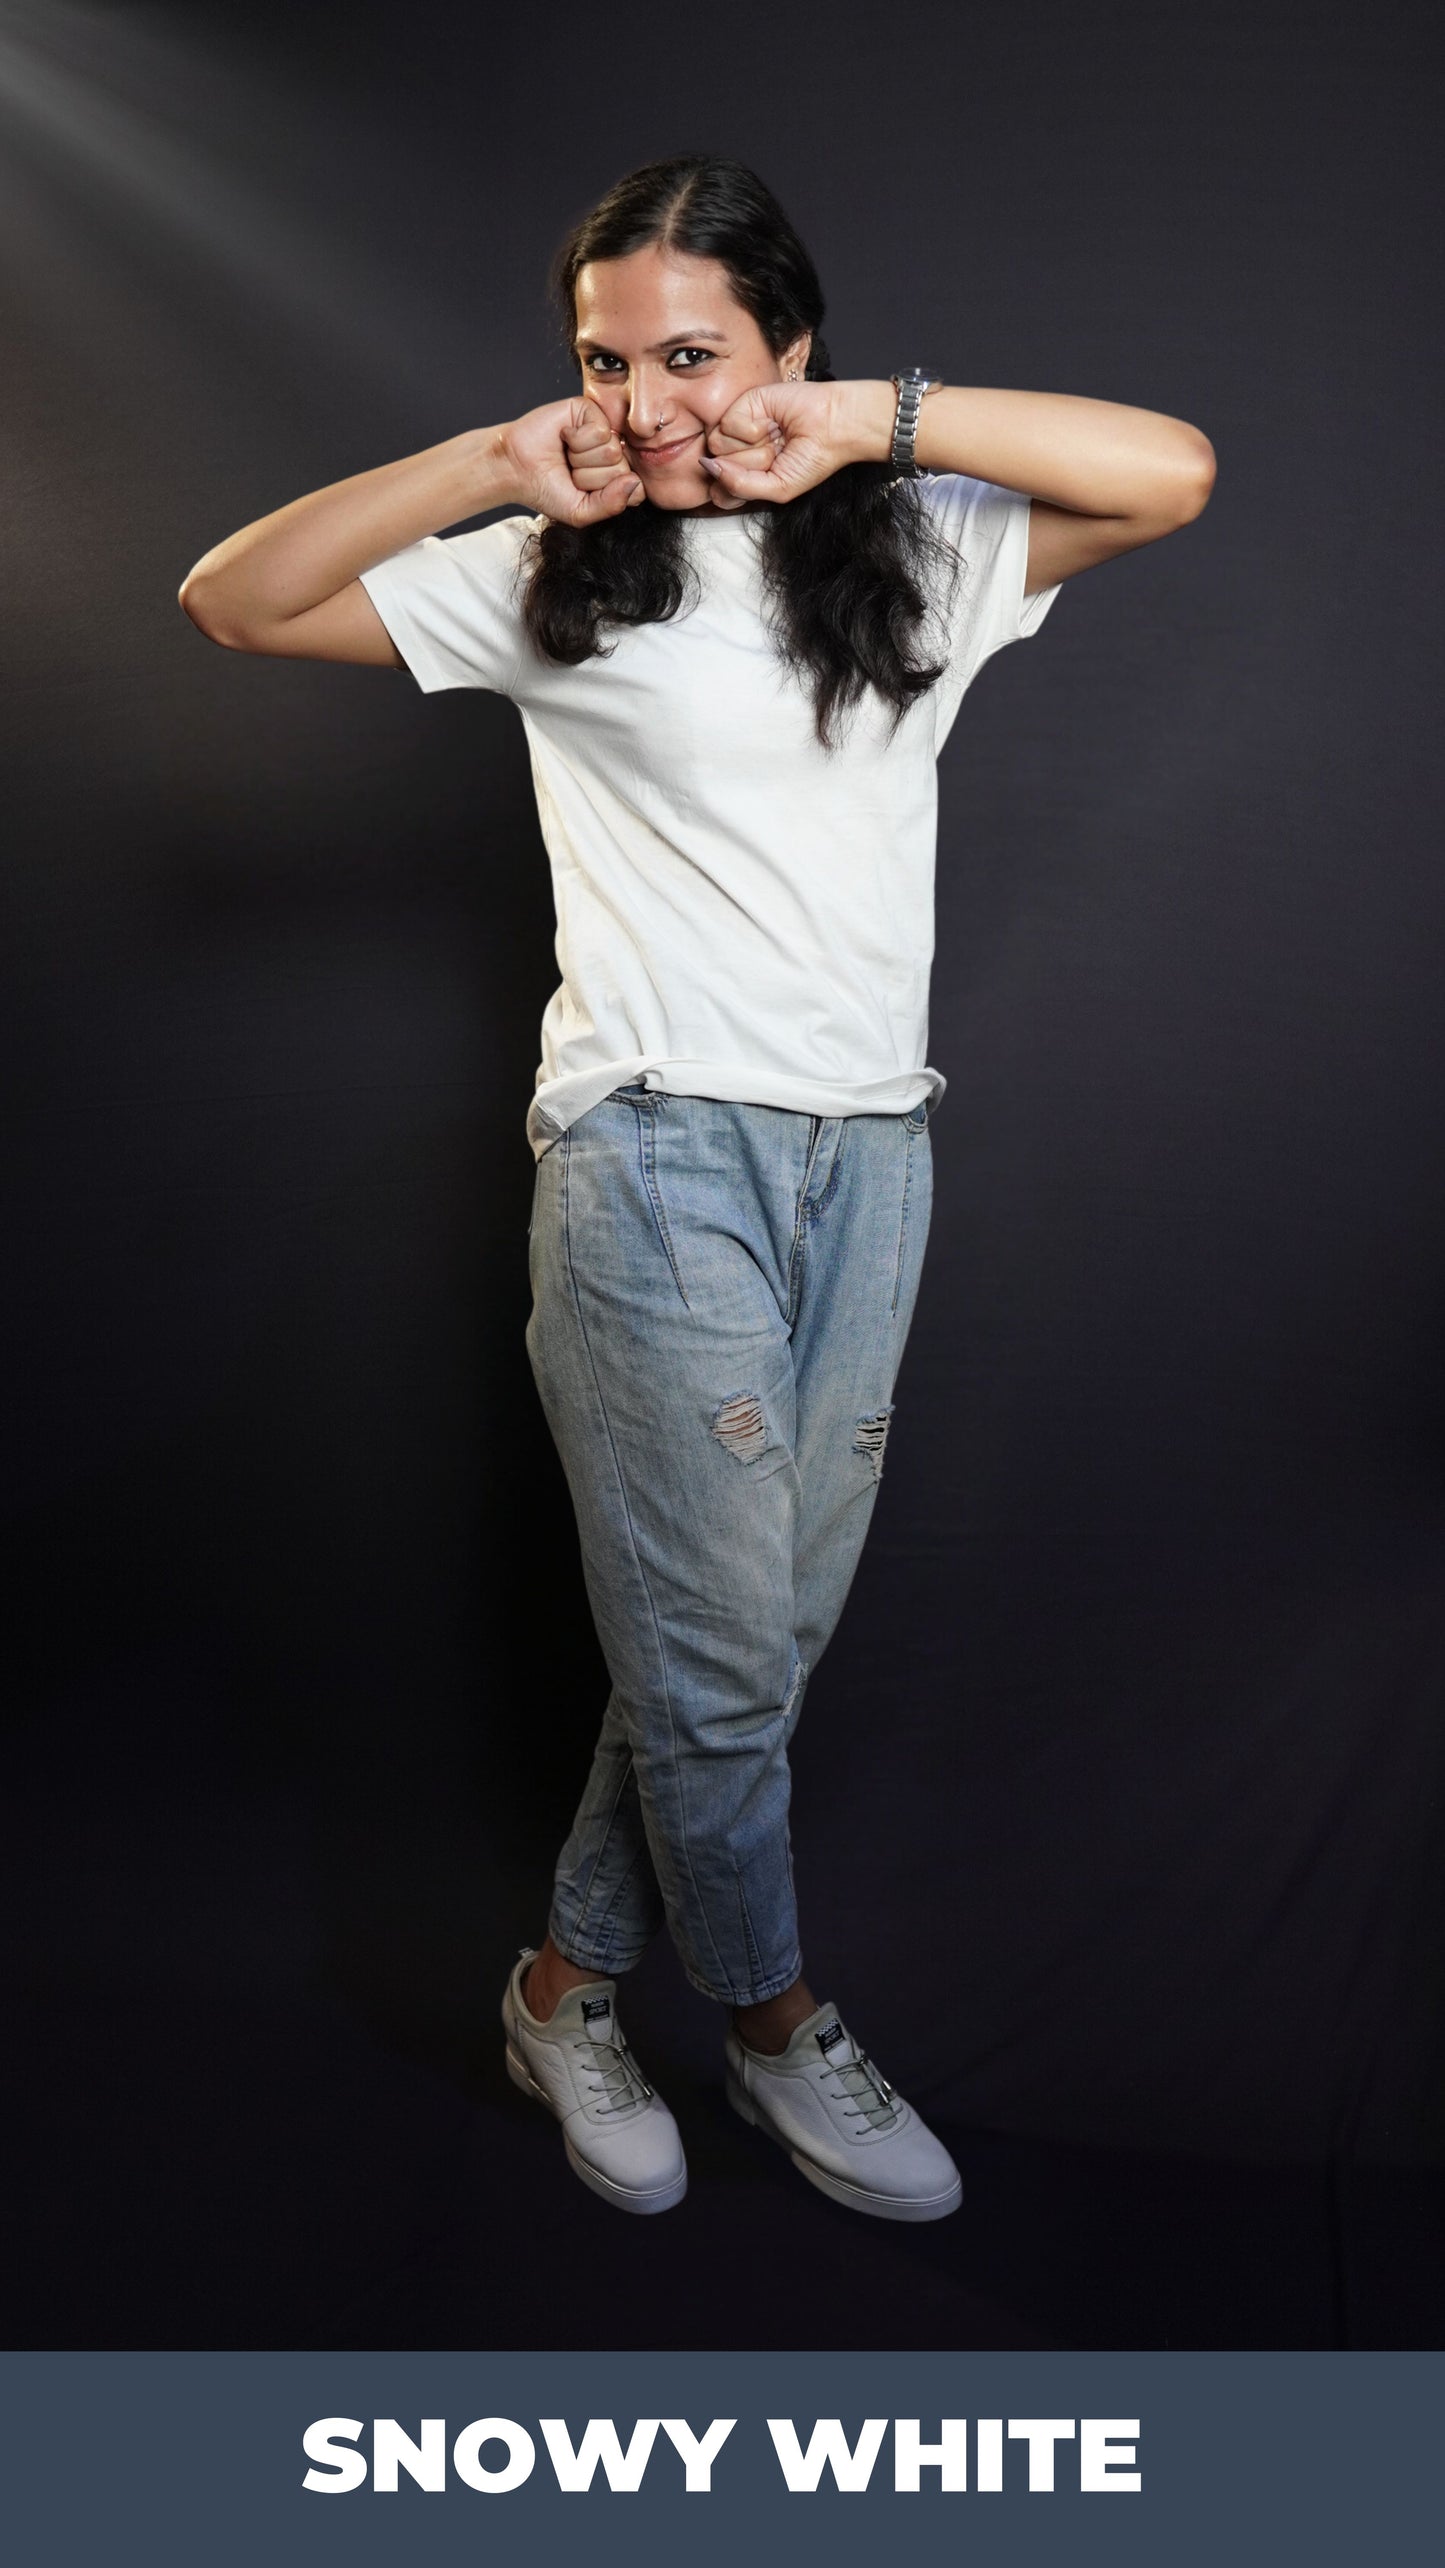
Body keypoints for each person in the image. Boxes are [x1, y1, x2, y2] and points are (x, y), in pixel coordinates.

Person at [179, 152, 1214, 2224]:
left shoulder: (916, 554)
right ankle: (773, 2031)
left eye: (692, 350)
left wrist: (870, 427)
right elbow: (237, 597)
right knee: (728, 1666)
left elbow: (1172, 469)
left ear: (787, 347)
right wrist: (494, 456)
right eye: (601, 356)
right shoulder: (556, 574)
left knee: (750, 1647)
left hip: (872, 1155)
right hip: (655, 1151)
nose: (648, 397)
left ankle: (563, 1983)